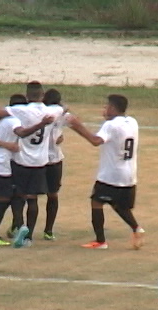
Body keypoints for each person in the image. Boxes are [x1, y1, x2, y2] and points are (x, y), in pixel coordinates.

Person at [0, 81, 63, 248]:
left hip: (21, 160)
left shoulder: (20, 110)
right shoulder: (53, 111)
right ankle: (29, 235)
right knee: (33, 198)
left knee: (18, 196)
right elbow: (64, 109)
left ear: (27, 96)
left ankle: (19, 225)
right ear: (42, 95)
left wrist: (5, 114)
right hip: (40, 162)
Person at [66, 94, 145, 250]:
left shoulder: (111, 125)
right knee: (118, 204)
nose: (104, 109)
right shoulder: (132, 122)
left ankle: (100, 241)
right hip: (129, 175)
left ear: (113, 108)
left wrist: (76, 125)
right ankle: (136, 229)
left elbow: (96, 141)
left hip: (111, 175)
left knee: (97, 201)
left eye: (106, 106)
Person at [41, 88, 66, 241]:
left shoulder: (39, 113)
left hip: (38, 159)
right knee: (53, 194)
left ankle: (18, 225)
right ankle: (49, 230)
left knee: (28, 195)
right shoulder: (61, 114)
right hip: (55, 159)